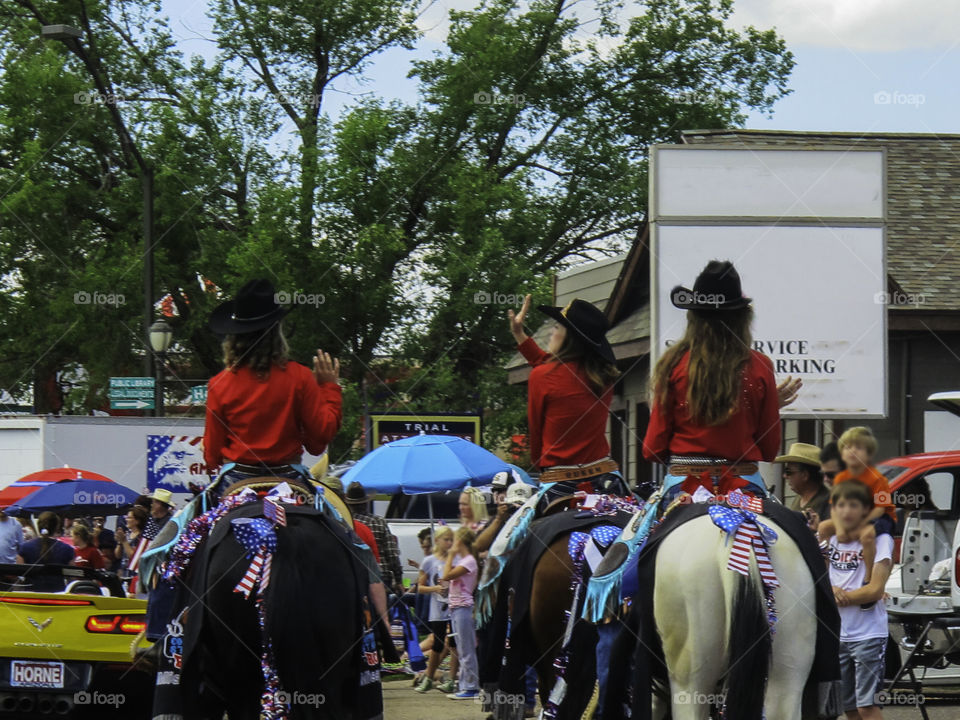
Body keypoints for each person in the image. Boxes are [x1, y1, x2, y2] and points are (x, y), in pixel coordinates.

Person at [643, 260, 788, 505]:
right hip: (744, 488)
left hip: (684, 487)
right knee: (799, 538)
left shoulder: (672, 364)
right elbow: (770, 448)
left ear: (693, 316)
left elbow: (652, 450)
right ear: (742, 318)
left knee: (633, 541)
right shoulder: (760, 366)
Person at [203, 278, 342, 486]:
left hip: (236, 481)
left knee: (191, 519)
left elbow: (211, 457)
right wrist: (329, 388)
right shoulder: (300, 377)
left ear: (234, 336)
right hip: (289, 480)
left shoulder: (219, 384)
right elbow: (319, 440)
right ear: (277, 331)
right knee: (335, 516)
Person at [509, 295, 629, 500]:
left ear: (568, 338)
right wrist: (520, 335)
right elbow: (556, 369)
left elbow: (536, 433)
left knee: (518, 531)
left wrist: (542, 465)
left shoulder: (541, 376)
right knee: (642, 527)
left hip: (559, 479)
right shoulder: (604, 377)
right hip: (604, 475)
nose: (551, 332)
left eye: (557, 327)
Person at [827, 481, 892, 720]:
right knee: (850, 708)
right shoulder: (832, 538)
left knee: (868, 706)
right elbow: (821, 578)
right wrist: (831, 588)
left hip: (868, 635)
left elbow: (875, 590)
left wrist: (838, 597)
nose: (846, 511)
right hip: (839, 633)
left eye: (853, 505)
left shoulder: (881, 540)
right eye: (841, 505)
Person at [817, 426, 895, 586]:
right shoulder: (840, 478)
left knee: (866, 535)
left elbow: (881, 508)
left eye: (858, 448)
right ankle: (824, 573)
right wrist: (839, 528)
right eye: (847, 448)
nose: (852, 452)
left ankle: (868, 577)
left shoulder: (879, 479)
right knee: (824, 527)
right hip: (850, 516)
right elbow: (834, 508)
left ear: (868, 453)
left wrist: (857, 524)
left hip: (878, 518)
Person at [414, 526, 459, 694]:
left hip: (454, 606)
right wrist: (435, 589)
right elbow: (420, 587)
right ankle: (429, 676)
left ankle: (452, 679)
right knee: (438, 644)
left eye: (451, 540)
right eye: (446, 540)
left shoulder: (456, 559)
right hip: (438, 608)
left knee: (455, 643)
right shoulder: (429, 561)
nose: (449, 543)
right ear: (437, 541)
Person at [346, 481, 404, 595]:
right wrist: (398, 580)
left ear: (349, 505)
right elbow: (391, 554)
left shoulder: (344, 523)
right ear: (366, 503)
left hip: (354, 575)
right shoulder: (378, 522)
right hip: (381, 574)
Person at [442, 527, 480, 700]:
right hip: (457, 608)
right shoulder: (465, 561)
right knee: (461, 648)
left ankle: (471, 686)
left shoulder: (469, 561)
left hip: (464, 607)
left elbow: (447, 575)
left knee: (466, 649)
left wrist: (450, 555)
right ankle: (465, 684)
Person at [776, 442, 830, 530]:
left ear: (805, 475)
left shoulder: (828, 501)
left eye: (788, 472)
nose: (785, 476)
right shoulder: (799, 498)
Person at [17, 512, 74, 592]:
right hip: (58, 595)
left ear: (38, 525)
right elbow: (72, 578)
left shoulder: (25, 547)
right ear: (57, 527)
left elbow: (20, 575)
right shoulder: (67, 549)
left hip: (31, 596)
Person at [116, 506, 149, 596]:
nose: (126, 519)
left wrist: (124, 541)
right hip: (123, 573)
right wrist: (120, 542)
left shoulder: (142, 538)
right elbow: (118, 555)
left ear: (137, 521)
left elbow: (134, 557)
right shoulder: (127, 534)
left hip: (133, 576)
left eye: (129, 517)